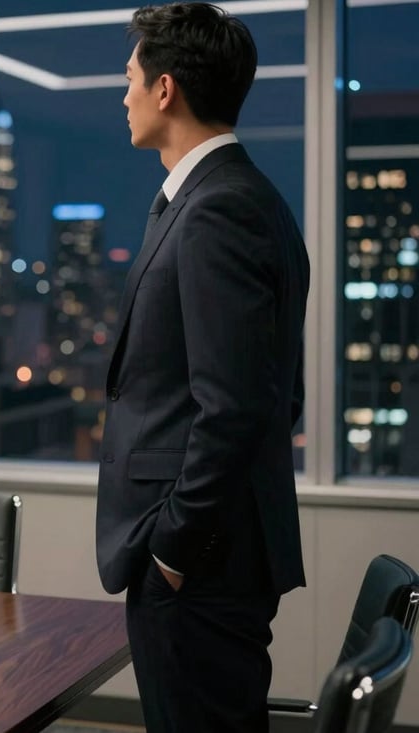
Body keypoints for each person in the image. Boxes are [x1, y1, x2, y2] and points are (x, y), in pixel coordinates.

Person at [94, 4, 310, 732]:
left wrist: (175, 550)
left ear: (165, 90)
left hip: (200, 570)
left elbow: (239, 406)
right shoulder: (247, 200)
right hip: (214, 564)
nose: (121, 95)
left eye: (129, 78)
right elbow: (281, 395)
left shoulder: (217, 209)